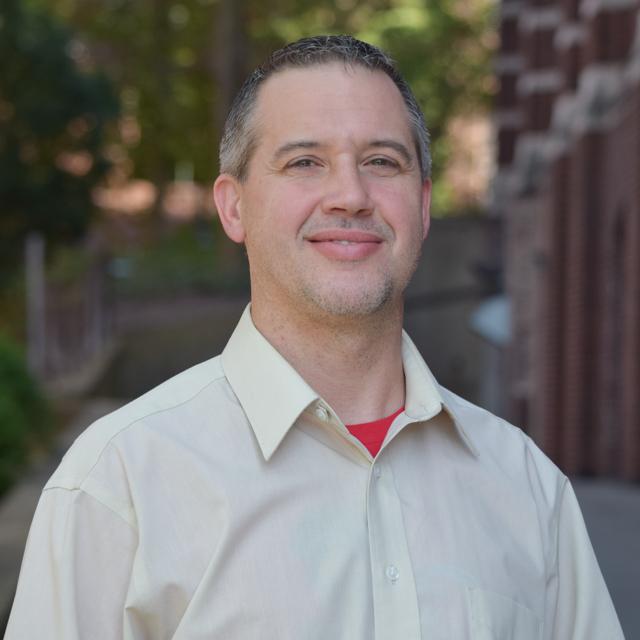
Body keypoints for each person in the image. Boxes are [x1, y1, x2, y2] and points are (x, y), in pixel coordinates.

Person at [5, 35, 623, 640]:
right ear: (233, 207)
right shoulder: (119, 483)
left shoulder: (527, 487)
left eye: (383, 162)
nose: (351, 196)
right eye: (304, 162)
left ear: (424, 204)